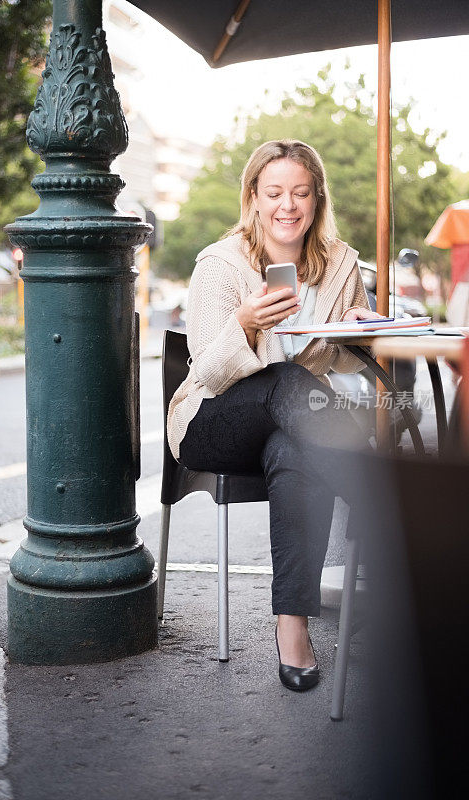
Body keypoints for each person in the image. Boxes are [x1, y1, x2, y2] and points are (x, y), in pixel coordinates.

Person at [167, 139, 383, 692]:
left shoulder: (339, 265)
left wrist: (360, 334)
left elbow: (334, 361)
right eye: (275, 192)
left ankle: (293, 632)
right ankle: (386, 506)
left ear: (317, 201)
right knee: (286, 383)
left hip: (293, 424)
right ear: (254, 198)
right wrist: (243, 322)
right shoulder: (221, 264)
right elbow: (209, 375)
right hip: (212, 422)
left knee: (294, 448)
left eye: (301, 193)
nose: (288, 205)